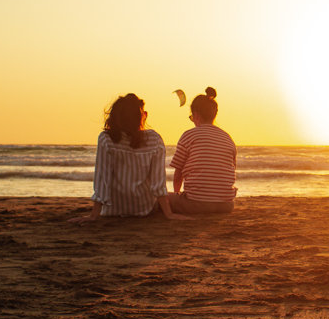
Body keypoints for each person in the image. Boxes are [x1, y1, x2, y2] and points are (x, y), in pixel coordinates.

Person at [72, 93, 177, 223]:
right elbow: (158, 183)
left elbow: (102, 179)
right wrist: (169, 214)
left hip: (113, 209)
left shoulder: (106, 138)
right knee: (176, 199)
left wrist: (93, 215)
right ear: (140, 117)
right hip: (144, 208)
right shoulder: (154, 139)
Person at [169, 87, 237, 215]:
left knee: (162, 197)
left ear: (196, 115)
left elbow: (178, 173)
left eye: (191, 117)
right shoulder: (227, 138)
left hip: (196, 204)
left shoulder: (189, 135)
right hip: (226, 205)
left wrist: (177, 194)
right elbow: (231, 170)